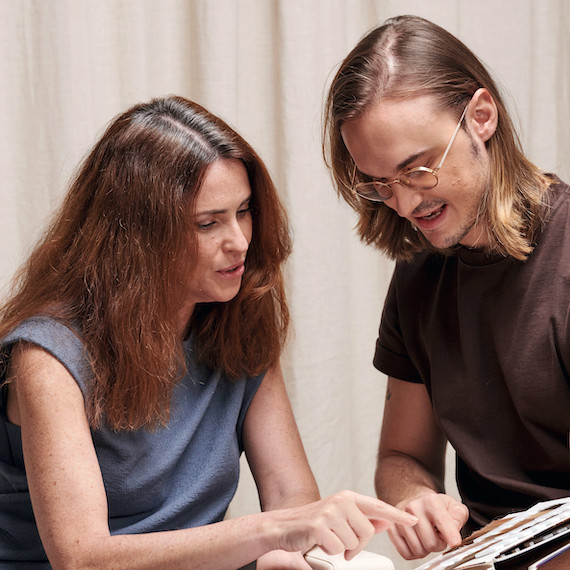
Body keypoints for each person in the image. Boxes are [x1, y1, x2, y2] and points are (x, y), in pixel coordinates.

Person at [0, 96, 417, 569]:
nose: (239, 241)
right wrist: (271, 534)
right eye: (208, 223)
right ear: (137, 239)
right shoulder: (48, 357)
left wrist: (295, 554)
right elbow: (83, 560)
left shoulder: (237, 321)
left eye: (243, 211)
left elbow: (290, 499)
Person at [323, 14, 570, 562]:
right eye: (380, 183)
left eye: (418, 169)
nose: (407, 204)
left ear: (481, 117)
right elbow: (401, 454)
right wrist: (415, 501)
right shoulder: (420, 273)